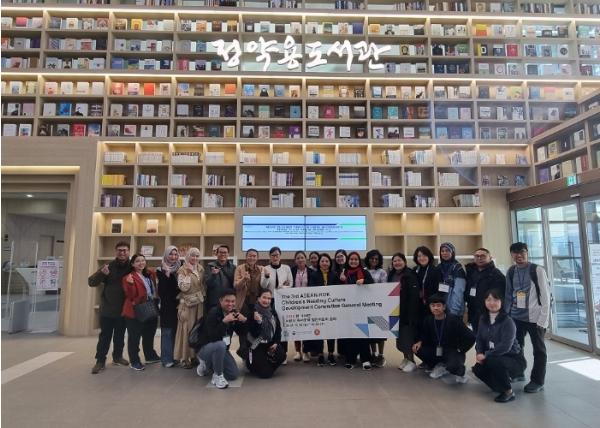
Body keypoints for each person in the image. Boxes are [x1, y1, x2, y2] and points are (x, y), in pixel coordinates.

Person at [505, 242, 550, 393]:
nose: (519, 255)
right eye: (515, 253)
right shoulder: (511, 271)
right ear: (512, 255)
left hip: (535, 318)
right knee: (516, 347)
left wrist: (543, 320)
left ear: (527, 253)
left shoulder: (537, 270)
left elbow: (545, 296)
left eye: (522, 252)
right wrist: (506, 315)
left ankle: (537, 381)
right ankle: (518, 372)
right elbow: (508, 294)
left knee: (539, 350)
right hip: (516, 317)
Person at [472, 289, 527, 403]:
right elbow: (479, 339)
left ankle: (508, 392)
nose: (492, 303)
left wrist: (486, 355)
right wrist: (479, 353)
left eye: (495, 300)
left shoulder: (508, 321)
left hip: (513, 359)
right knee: (478, 369)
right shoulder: (483, 318)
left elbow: (505, 346)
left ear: (502, 302)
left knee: (493, 360)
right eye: (489, 300)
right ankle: (500, 386)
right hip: (494, 356)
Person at [88, 241, 131, 374]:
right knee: (105, 336)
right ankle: (100, 361)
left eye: (124, 250)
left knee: (120, 336)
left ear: (128, 252)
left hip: (123, 309)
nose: (122, 253)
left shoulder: (132, 267)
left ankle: (117, 357)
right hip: (107, 309)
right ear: (116, 251)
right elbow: (91, 282)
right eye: (119, 250)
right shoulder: (108, 266)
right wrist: (102, 274)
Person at [412, 293, 475, 383]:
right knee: (417, 349)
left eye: (438, 305)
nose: (435, 308)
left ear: (444, 307)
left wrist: (461, 349)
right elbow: (425, 335)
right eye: (433, 305)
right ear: (430, 307)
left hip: (452, 351)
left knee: (453, 365)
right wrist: (420, 342)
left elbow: (471, 336)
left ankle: (456, 370)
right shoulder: (428, 320)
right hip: (436, 350)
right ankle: (437, 365)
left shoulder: (453, 320)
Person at [196, 289, 247, 389]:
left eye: (233, 301)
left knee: (233, 374)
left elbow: (242, 332)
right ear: (220, 301)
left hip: (222, 349)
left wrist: (243, 321)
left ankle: (208, 365)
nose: (230, 304)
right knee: (220, 344)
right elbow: (213, 337)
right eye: (227, 301)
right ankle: (217, 375)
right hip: (205, 348)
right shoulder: (213, 313)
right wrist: (224, 322)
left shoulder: (233, 313)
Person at [121, 253, 161, 371]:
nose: (141, 263)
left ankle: (150, 356)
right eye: (137, 261)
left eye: (143, 260)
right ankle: (134, 361)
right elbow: (130, 295)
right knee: (134, 337)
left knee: (149, 334)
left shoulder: (149, 274)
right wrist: (130, 284)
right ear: (132, 264)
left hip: (150, 307)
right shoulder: (128, 277)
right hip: (135, 310)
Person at [339, 252, 374, 370]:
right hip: (347, 309)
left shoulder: (364, 272)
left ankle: (366, 359)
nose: (353, 261)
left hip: (362, 309)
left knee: (363, 334)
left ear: (359, 261)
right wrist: (341, 280)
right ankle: (350, 359)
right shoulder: (344, 273)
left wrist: (364, 281)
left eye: (356, 259)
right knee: (350, 335)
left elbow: (373, 285)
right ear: (348, 260)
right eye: (351, 259)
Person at [388, 252, 421, 373]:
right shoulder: (391, 275)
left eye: (399, 260)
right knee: (400, 339)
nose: (397, 263)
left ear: (405, 262)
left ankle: (411, 361)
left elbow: (414, 296)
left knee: (407, 338)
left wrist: (411, 313)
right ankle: (406, 359)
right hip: (395, 311)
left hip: (407, 312)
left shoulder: (410, 275)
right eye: (395, 261)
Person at [174, 247, 206, 369]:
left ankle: (194, 356)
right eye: (192, 255)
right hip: (187, 305)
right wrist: (187, 273)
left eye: (197, 256)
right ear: (187, 256)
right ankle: (184, 358)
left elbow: (203, 286)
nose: (195, 258)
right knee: (186, 330)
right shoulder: (182, 270)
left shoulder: (201, 268)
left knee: (196, 330)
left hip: (199, 304)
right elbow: (183, 288)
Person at [306, 253, 340, 366]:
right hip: (318, 308)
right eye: (322, 261)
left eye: (327, 261)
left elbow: (338, 289)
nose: (324, 263)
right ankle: (320, 354)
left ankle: (330, 354)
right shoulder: (314, 275)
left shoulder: (334, 274)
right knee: (319, 331)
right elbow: (311, 289)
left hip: (331, 308)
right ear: (319, 263)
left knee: (331, 332)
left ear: (330, 263)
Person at [261, 246, 293, 362]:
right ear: (270, 256)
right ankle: (270, 352)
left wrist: (282, 287)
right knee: (270, 326)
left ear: (280, 256)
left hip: (283, 300)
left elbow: (291, 283)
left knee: (282, 326)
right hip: (269, 301)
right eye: (273, 255)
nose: (275, 257)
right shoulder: (265, 268)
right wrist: (266, 276)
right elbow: (263, 286)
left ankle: (282, 353)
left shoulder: (286, 268)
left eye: (277, 255)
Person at [246, 289, 286, 378]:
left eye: (269, 298)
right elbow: (253, 333)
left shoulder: (272, 312)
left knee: (281, 355)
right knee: (265, 374)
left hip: (269, 342)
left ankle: (265, 365)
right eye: (264, 297)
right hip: (256, 344)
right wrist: (258, 322)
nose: (266, 301)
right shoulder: (253, 312)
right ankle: (254, 364)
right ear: (258, 299)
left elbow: (278, 329)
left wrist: (276, 343)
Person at [465, 248, 506, 333]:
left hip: (489, 313)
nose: (479, 258)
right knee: (477, 336)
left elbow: (500, 297)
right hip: (474, 312)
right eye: (477, 256)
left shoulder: (496, 274)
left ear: (490, 258)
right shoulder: (471, 272)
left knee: (490, 337)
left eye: (483, 256)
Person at [233, 248, 264, 359]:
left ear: (257, 258)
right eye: (250, 255)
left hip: (256, 303)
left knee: (255, 328)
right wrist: (244, 279)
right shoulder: (240, 268)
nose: (252, 258)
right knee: (243, 328)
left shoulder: (261, 269)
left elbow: (264, 285)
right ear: (246, 257)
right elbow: (236, 286)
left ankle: (254, 354)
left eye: (254, 256)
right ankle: (244, 353)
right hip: (243, 302)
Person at [156, 246, 181, 368]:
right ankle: (166, 359)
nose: (173, 257)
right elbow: (162, 291)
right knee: (167, 332)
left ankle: (175, 357)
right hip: (167, 306)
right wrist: (166, 274)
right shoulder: (160, 270)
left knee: (177, 332)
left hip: (179, 305)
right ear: (166, 255)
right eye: (171, 254)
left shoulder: (180, 268)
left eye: (175, 254)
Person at [365, 248, 387, 367]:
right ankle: (373, 353)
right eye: (372, 258)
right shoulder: (363, 271)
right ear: (368, 259)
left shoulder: (382, 272)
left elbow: (384, 288)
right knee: (370, 332)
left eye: (376, 259)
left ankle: (381, 355)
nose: (374, 260)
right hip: (366, 306)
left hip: (379, 306)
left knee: (380, 332)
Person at [291, 250, 310, 362]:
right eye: (298, 258)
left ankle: (306, 351)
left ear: (305, 259)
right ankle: (298, 351)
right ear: (295, 260)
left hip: (308, 304)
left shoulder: (311, 271)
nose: (300, 260)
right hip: (294, 304)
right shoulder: (291, 271)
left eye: (302, 257)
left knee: (307, 327)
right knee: (296, 326)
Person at [438, 242, 466, 317]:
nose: (444, 253)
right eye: (442, 251)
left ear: (452, 252)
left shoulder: (457, 268)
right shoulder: (439, 267)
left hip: (454, 309)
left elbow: (459, 291)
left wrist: (454, 310)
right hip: (441, 308)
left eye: (447, 250)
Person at [205, 245, 236, 311]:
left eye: (225, 252)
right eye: (221, 252)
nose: (223, 254)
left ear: (228, 254)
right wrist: (213, 275)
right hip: (214, 301)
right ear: (216, 254)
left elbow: (235, 284)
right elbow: (207, 283)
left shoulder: (233, 267)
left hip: (228, 301)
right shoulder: (210, 266)